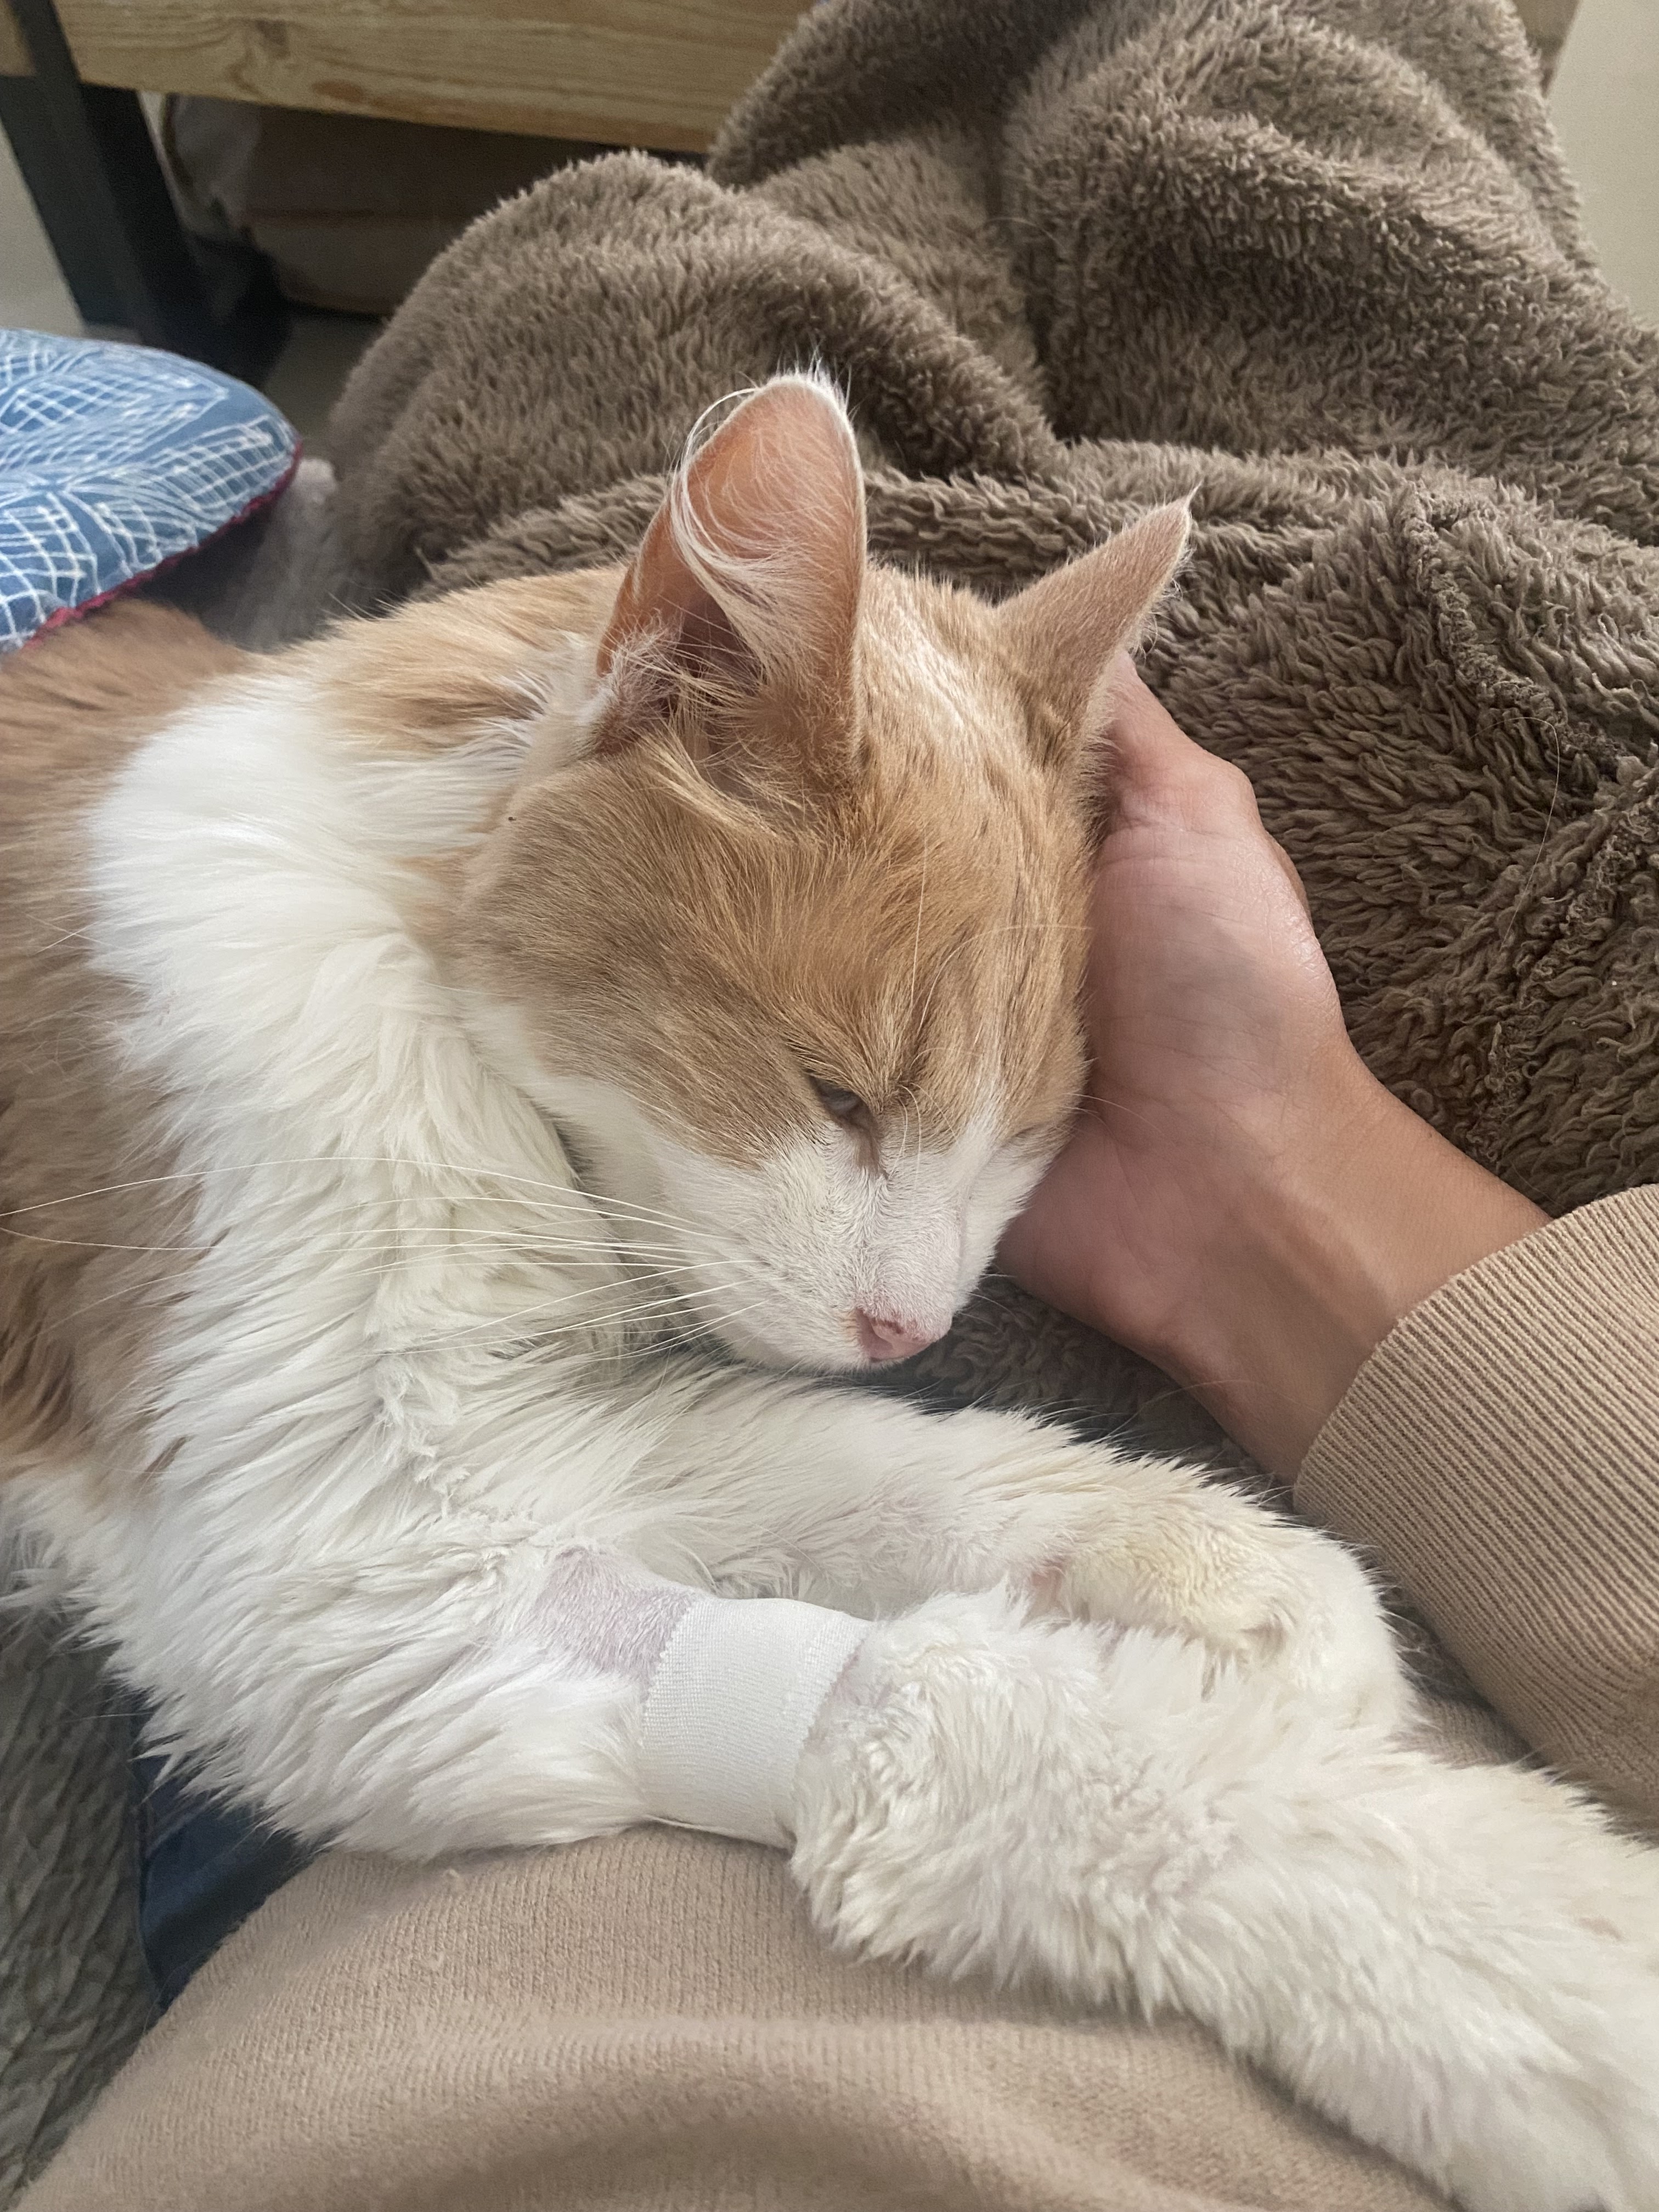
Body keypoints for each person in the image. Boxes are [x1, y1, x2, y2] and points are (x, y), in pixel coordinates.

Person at [24, 675, 1659, 2212]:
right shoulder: (225, 978)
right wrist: (1176, 1836)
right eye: (840, 1100)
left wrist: (1035, 1508)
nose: (917, 1313)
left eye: (1010, 1152)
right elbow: (353, 1633)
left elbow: (505, 1490)